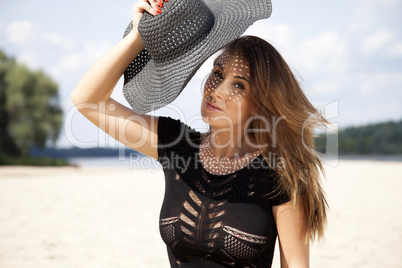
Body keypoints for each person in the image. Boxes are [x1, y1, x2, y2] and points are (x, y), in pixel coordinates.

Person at [71, 0, 328, 267]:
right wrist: (139, 34)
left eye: (238, 85)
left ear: (261, 103)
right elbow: (87, 100)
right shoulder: (177, 144)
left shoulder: (280, 175)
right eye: (218, 73)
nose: (217, 90)